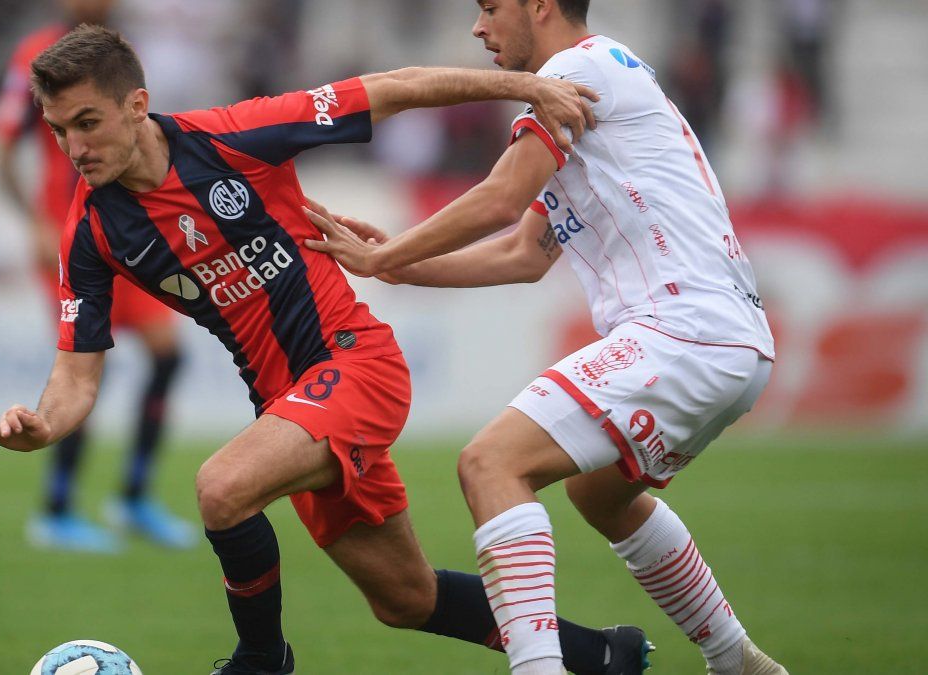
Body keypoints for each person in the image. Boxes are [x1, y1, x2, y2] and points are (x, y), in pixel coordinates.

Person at [0, 24, 653, 675]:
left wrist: (525, 88)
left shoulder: (233, 137)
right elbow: (76, 372)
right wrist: (44, 423)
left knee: (222, 488)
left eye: (88, 123)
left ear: (137, 106)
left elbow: (394, 86)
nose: (74, 147)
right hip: (290, 406)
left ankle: (263, 660)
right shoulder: (92, 231)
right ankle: (605, 655)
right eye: (59, 130)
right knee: (405, 598)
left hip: (356, 363)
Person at [303, 1, 788, 674]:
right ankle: (737, 659)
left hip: (685, 329)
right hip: (727, 340)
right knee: (598, 491)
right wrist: (403, 263)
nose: (479, 27)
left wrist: (390, 256)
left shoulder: (575, 70)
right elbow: (524, 253)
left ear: (539, 5)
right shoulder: (598, 82)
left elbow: (504, 195)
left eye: (491, 7)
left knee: (491, 462)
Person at [0, 0, 193, 552]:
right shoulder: (36, 55)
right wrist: (35, 221)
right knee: (86, 365)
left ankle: (132, 497)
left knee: (168, 355)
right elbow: (2, 144)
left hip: (126, 229)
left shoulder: (118, 56)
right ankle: (56, 510)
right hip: (70, 233)